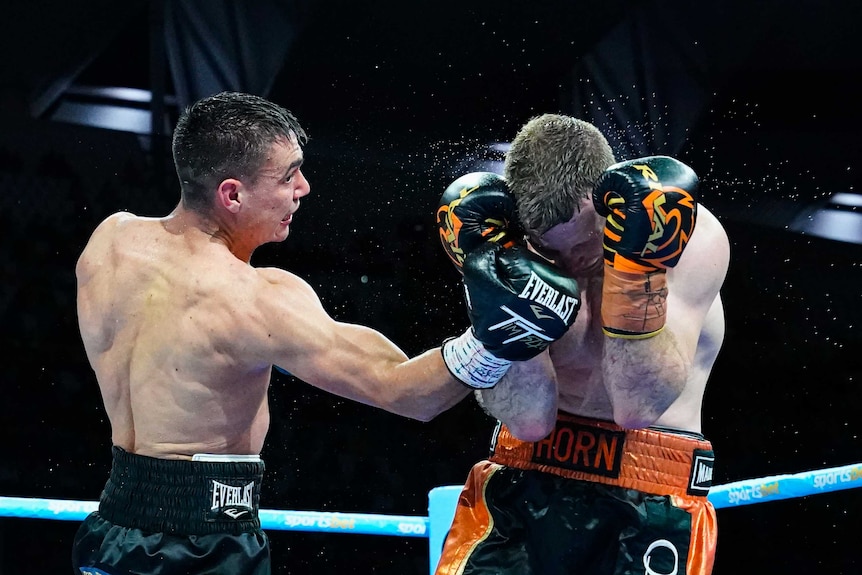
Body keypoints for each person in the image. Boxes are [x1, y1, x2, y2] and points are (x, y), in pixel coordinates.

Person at [71, 92, 581, 575]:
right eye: (289, 175)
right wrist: (493, 338)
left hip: (112, 524)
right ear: (232, 193)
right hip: (202, 545)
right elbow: (404, 392)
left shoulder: (110, 240)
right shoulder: (256, 299)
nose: (304, 188)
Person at [434, 113, 730, 575]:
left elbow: (638, 407)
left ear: (605, 198)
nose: (568, 262)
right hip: (523, 476)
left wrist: (635, 274)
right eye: (550, 251)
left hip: (648, 488)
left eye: (583, 242)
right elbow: (528, 421)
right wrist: (508, 304)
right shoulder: (497, 242)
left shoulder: (683, 232)